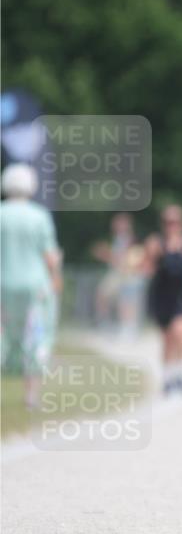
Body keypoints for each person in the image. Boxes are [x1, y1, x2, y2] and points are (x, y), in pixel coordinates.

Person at [0, 162, 61, 408]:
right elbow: (50, 256)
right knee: (35, 336)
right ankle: (31, 396)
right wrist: (56, 278)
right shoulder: (39, 216)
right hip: (35, 287)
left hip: (3, 284)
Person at [144, 205, 182, 395]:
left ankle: (179, 375)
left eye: (175, 222)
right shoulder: (155, 243)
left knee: (181, 333)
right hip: (162, 296)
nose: (172, 226)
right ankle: (168, 378)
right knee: (167, 340)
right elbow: (147, 267)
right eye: (168, 222)